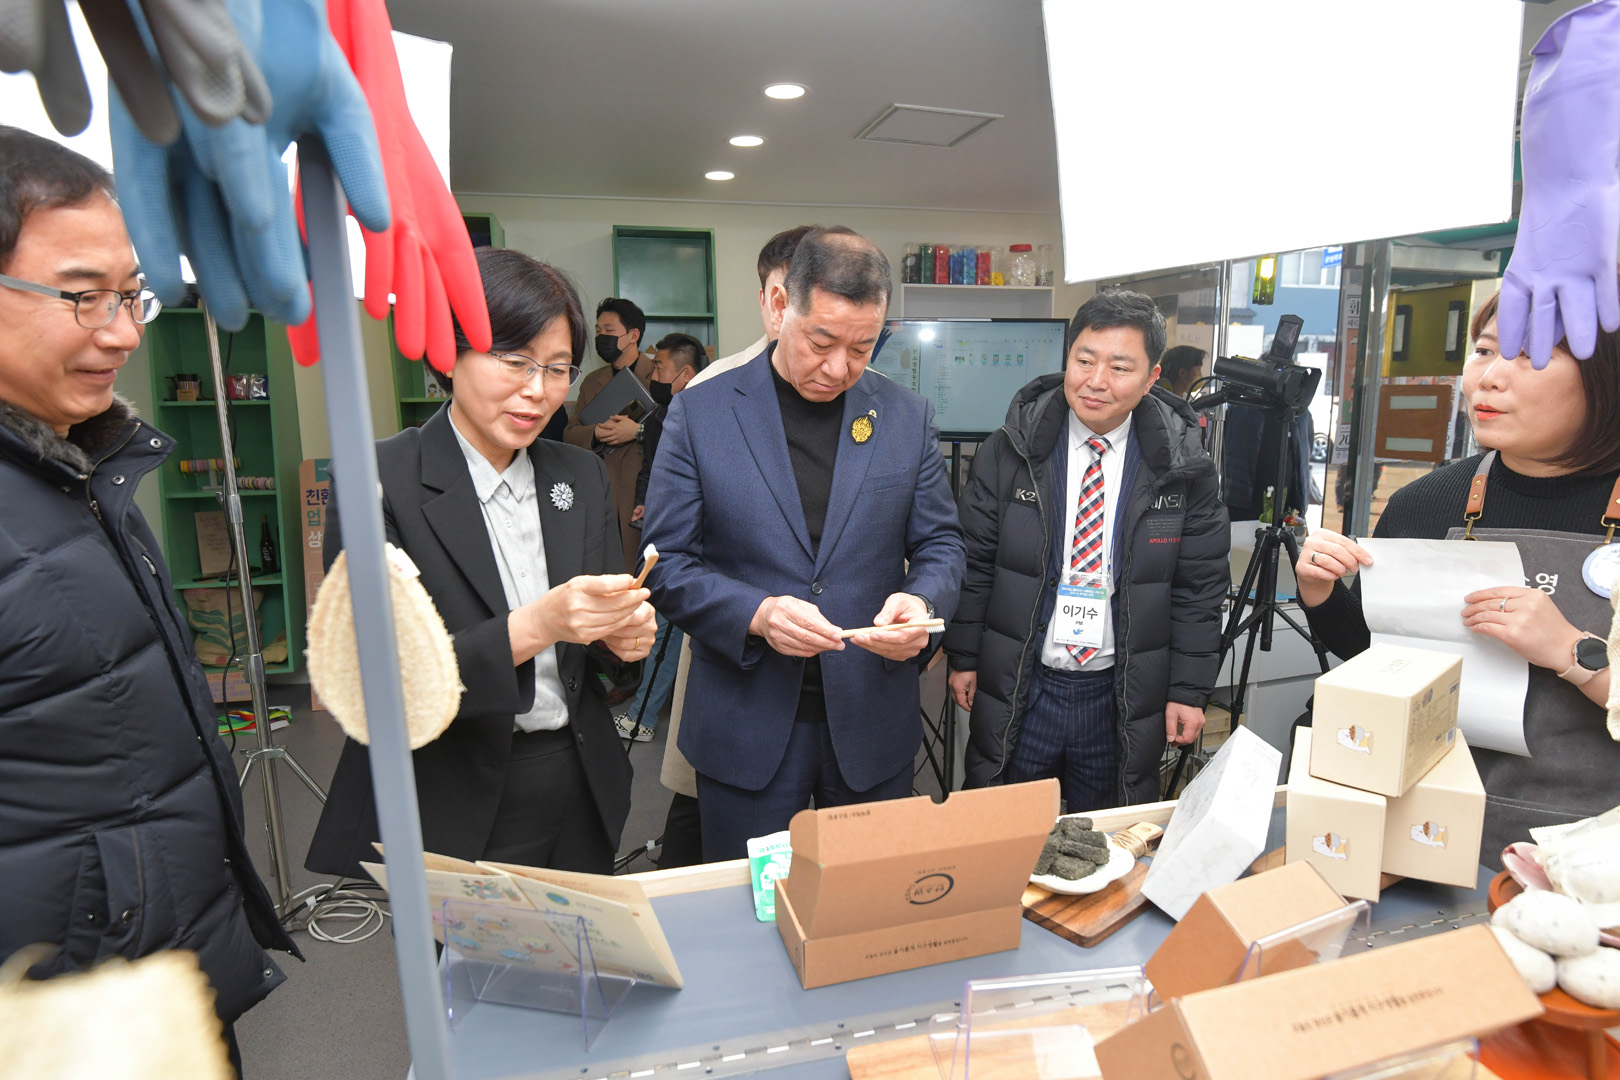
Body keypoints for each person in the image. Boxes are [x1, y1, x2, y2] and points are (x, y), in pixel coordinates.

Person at [0, 127, 295, 1073]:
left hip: (146, 979)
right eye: (82, 295)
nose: (124, 331)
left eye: (131, 294)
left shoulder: (78, 466)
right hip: (66, 1017)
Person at [306, 248, 656, 880]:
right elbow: (383, 680)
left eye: (557, 369)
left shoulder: (579, 473)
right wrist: (539, 624)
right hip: (452, 792)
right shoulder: (382, 479)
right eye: (514, 361)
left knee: (584, 943)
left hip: (578, 779)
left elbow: (597, 642)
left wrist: (619, 638)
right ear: (449, 354)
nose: (537, 390)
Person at [643, 227, 965, 861]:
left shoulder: (906, 416)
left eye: (862, 348)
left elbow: (942, 545)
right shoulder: (701, 413)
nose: (839, 368)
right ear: (777, 305)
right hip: (746, 719)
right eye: (821, 342)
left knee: (865, 898)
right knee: (752, 905)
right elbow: (664, 564)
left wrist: (922, 605)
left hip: (871, 715)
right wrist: (756, 614)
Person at [1296, 284, 1620, 866]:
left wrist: (1571, 651)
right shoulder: (1427, 502)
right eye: (1485, 351)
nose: (1490, 378)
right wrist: (1320, 592)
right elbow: (1372, 652)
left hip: (1591, 857)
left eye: (1530, 357)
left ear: (1606, 377)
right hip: (1424, 824)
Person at [943, 290, 1229, 813]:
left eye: (1120, 368)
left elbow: (1199, 587)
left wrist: (1189, 691)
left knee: (1105, 838)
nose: (1096, 381)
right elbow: (976, 561)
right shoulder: (1009, 449)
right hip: (1023, 684)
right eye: (1084, 361)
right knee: (1002, 830)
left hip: (1119, 697)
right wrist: (963, 656)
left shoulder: (1184, 467)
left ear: (1152, 377)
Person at [656, 224, 812, 867]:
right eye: (780, 293)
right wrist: (752, 612)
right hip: (740, 659)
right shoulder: (711, 392)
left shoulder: (870, 396)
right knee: (721, 826)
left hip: (842, 676)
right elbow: (674, 552)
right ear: (768, 296)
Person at [616, 332, 709, 742]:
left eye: (659, 368)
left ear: (685, 373)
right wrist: (644, 501)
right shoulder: (660, 417)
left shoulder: (706, 415)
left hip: (691, 544)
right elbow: (652, 469)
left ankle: (642, 718)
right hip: (666, 532)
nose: (653, 376)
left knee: (669, 629)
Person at [564, 296, 653, 572]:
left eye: (609, 330)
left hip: (644, 493)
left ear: (633, 335)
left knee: (647, 572)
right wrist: (596, 433)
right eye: (598, 330)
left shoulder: (659, 375)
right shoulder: (592, 381)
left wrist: (638, 431)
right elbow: (570, 433)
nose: (601, 336)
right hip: (603, 491)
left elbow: (678, 433)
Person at [688, 224, 814, 389]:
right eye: (781, 302)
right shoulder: (707, 384)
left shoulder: (848, 380)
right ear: (763, 302)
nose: (793, 315)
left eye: (809, 301)